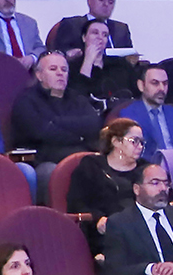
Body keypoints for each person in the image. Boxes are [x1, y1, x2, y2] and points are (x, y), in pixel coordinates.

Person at [10, 51, 107, 190]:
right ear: (39, 75)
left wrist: (56, 121)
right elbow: (42, 133)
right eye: (53, 69)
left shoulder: (77, 98)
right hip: (43, 160)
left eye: (64, 69)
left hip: (81, 157)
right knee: (51, 172)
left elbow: (94, 124)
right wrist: (80, 136)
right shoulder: (26, 100)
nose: (60, 73)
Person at [68, 119, 149, 218]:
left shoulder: (145, 169)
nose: (140, 146)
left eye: (141, 142)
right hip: (102, 224)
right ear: (116, 141)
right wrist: (98, 217)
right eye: (134, 141)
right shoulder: (91, 166)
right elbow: (77, 203)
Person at [43, 0, 136, 64]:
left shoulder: (121, 29)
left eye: (110, 2)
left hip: (115, 72)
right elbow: (58, 52)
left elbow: (129, 54)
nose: (106, 4)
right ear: (89, 2)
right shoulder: (71, 24)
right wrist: (69, 54)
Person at [114, 66, 173, 158]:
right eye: (155, 83)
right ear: (141, 86)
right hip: (145, 164)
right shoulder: (128, 115)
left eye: (165, 83)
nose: (162, 89)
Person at [68, 18, 129, 108]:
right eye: (95, 33)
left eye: (105, 35)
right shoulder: (71, 66)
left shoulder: (120, 64)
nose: (100, 37)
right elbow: (77, 98)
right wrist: (88, 61)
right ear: (84, 37)